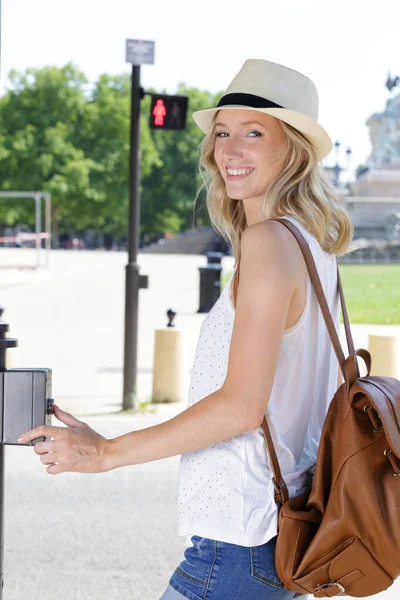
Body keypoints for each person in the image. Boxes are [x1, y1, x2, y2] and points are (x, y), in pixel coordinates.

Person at [18, 59, 353, 599]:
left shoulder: (270, 244)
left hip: (242, 545)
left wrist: (105, 452)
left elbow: (241, 406)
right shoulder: (314, 249)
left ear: (292, 148)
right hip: (284, 533)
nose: (229, 150)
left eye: (253, 132)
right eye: (223, 132)